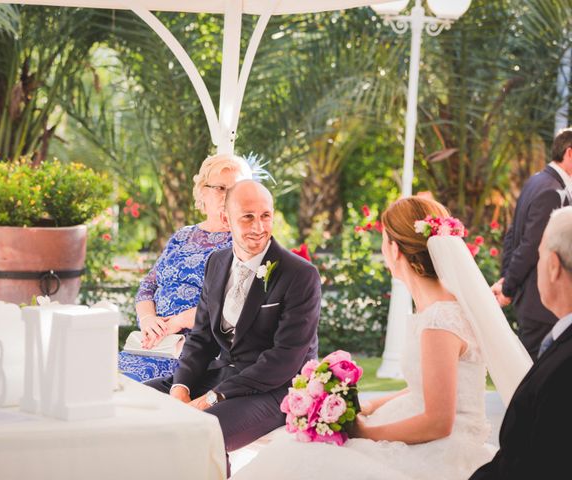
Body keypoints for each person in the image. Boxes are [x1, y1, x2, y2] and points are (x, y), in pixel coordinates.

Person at [234, 196, 531, 480]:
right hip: (425, 427)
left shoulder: (439, 321)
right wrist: (374, 406)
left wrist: (363, 433)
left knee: (307, 460)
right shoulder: (441, 307)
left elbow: (439, 422)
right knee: (300, 452)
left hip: (441, 451)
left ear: (394, 249)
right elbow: (432, 386)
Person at [145, 180, 321, 455]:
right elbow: (201, 338)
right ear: (227, 219)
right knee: (136, 405)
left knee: (199, 433)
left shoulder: (300, 275)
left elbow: (284, 359)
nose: (259, 227)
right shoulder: (217, 262)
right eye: (248, 217)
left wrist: (210, 399)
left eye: (265, 216)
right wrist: (181, 388)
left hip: (274, 389)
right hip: (222, 373)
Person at [119, 153, 252, 383]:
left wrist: (178, 322)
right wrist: (149, 320)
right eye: (220, 188)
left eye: (236, 189)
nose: (228, 196)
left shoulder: (244, 243)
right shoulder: (183, 235)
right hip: (154, 341)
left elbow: (233, 303)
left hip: (197, 348)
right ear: (203, 191)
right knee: (107, 385)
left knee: (141, 395)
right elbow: (149, 285)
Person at [471, 206, 572, 480]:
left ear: (553, 266)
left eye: (538, 257)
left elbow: (538, 463)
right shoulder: (559, 344)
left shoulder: (565, 366)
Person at [492, 128, 572, 359]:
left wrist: (508, 279)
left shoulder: (537, 181)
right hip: (541, 305)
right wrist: (508, 288)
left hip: (531, 301)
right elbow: (530, 245)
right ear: (569, 153)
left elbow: (512, 235)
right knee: (536, 380)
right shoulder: (553, 191)